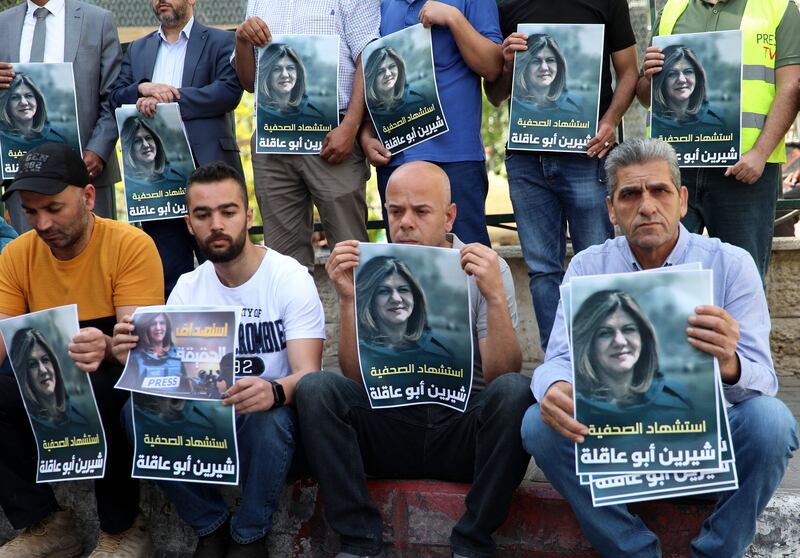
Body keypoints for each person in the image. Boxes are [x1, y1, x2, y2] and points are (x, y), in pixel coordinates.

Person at [523, 138, 798, 557]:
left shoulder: (730, 264)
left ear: (682, 200)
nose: (647, 206)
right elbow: (558, 359)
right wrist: (555, 386)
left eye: (660, 191)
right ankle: (631, 550)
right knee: (538, 424)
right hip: (618, 446)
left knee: (772, 422)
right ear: (611, 209)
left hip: (705, 447)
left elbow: (765, 382)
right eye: (630, 194)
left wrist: (729, 362)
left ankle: (717, 550)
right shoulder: (588, 267)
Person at [295, 160, 533, 558]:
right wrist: (349, 299)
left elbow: (500, 373)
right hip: (390, 426)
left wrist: (492, 296)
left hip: (460, 433)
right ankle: (358, 540)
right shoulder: (374, 267)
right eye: (395, 211)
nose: (405, 223)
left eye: (421, 211)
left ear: (449, 216)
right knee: (316, 387)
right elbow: (355, 378)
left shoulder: (486, 267)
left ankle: (473, 541)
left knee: (515, 391)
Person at [113, 161, 325, 558]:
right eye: (203, 214)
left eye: (228, 212)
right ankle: (210, 524)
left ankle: (250, 535)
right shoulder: (187, 289)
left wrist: (274, 391)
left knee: (272, 417)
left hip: (276, 436)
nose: (216, 224)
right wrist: (132, 355)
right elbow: (167, 383)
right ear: (189, 224)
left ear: (248, 216)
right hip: (208, 431)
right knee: (133, 412)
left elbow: (309, 376)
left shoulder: (289, 277)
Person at [0, 143, 164, 558]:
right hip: (44, 365)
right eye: (31, 211)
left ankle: (124, 529)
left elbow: (142, 348)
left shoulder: (130, 245)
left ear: (89, 197)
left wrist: (108, 347)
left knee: (101, 390)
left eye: (54, 208)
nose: (42, 222)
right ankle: (45, 523)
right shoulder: (16, 255)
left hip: (113, 361)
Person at [484, 0, 639, 354]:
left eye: (548, 60)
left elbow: (629, 71)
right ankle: (556, 363)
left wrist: (611, 121)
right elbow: (493, 95)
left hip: (588, 154)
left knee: (598, 262)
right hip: (526, 159)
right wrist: (507, 65)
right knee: (541, 270)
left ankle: (600, 364)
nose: (542, 66)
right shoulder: (505, 4)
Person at [637, 0, 800, 281]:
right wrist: (649, 76)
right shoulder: (672, 10)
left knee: (743, 281)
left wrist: (760, 153)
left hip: (745, 171)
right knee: (664, 279)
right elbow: (644, 96)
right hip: (676, 171)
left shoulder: (777, 7)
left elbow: (792, 86)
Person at [109, 0, 244, 298]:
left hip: (209, 172)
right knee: (168, 274)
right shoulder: (138, 48)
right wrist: (142, 89)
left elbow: (228, 92)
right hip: (156, 180)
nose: (160, 0)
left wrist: (172, 98)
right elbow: (115, 96)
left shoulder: (221, 40)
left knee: (225, 269)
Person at [234, 0, 379, 271]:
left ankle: (355, 313)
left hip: (333, 137)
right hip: (273, 141)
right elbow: (248, 81)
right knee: (283, 262)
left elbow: (368, 58)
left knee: (350, 255)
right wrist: (242, 40)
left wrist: (350, 127)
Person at [361, 0, 504, 247]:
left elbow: (492, 67)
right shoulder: (375, 2)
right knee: (406, 270)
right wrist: (366, 131)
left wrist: (454, 19)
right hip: (396, 156)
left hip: (456, 158)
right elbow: (370, 66)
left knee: (467, 265)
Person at [0, 0, 123, 231]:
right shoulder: (2, 23)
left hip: (85, 170)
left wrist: (98, 150)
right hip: (20, 173)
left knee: (93, 259)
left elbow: (113, 96)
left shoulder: (98, 20)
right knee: (30, 260)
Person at [571, 290, 692, 426]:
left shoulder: (677, 404)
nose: (620, 341)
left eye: (628, 329)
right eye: (605, 333)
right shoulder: (571, 411)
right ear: (588, 344)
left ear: (644, 337)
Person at [356, 255, 453, 367]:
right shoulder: (358, 355)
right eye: (384, 291)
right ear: (369, 300)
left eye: (403, 290)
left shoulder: (441, 350)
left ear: (415, 297)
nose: (396, 299)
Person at [11, 327, 95, 438]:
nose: (43, 370)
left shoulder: (81, 414)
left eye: (45, 360)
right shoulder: (24, 426)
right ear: (24, 374)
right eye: (33, 364)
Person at [651, 45, 726, 136]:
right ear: (661, 81)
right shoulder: (653, 124)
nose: (682, 80)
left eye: (688, 72)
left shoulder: (717, 122)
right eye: (672, 74)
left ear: (697, 77)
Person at [511, 34, 587, 122]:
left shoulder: (576, 107)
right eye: (536, 61)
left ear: (559, 66)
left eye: (550, 60)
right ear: (525, 67)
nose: (544, 68)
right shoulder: (514, 109)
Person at [363, 46, 427, 134]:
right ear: (371, 78)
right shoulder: (367, 117)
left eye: (392, 66)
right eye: (380, 72)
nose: (388, 74)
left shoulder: (418, 101)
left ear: (399, 68)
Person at [257, 43, 324, 124]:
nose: (285, 75)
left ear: (298, 73)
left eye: (290, 68)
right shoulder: (259, 115)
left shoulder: (315, 116)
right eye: (277, 69)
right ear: (267, 75)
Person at [123, 312, 188, 395]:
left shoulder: (178, 355)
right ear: (146, 328)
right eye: (153, 324)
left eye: (162, 323)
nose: (158, 328)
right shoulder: (135, 356)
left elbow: (186, 390)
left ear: (167, 327)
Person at [0, 73, 67, 152]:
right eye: (15, 97)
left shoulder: (56, 140)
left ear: (37, 100)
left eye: (28, 96)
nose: (24, 102)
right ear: (6, 104)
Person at [120, 117, 187, 190]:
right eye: (137, 141)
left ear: (156, 142)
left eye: (148, 138)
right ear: (129, 149)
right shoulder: (129, 187)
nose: (145, 145)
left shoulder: (179, 175)